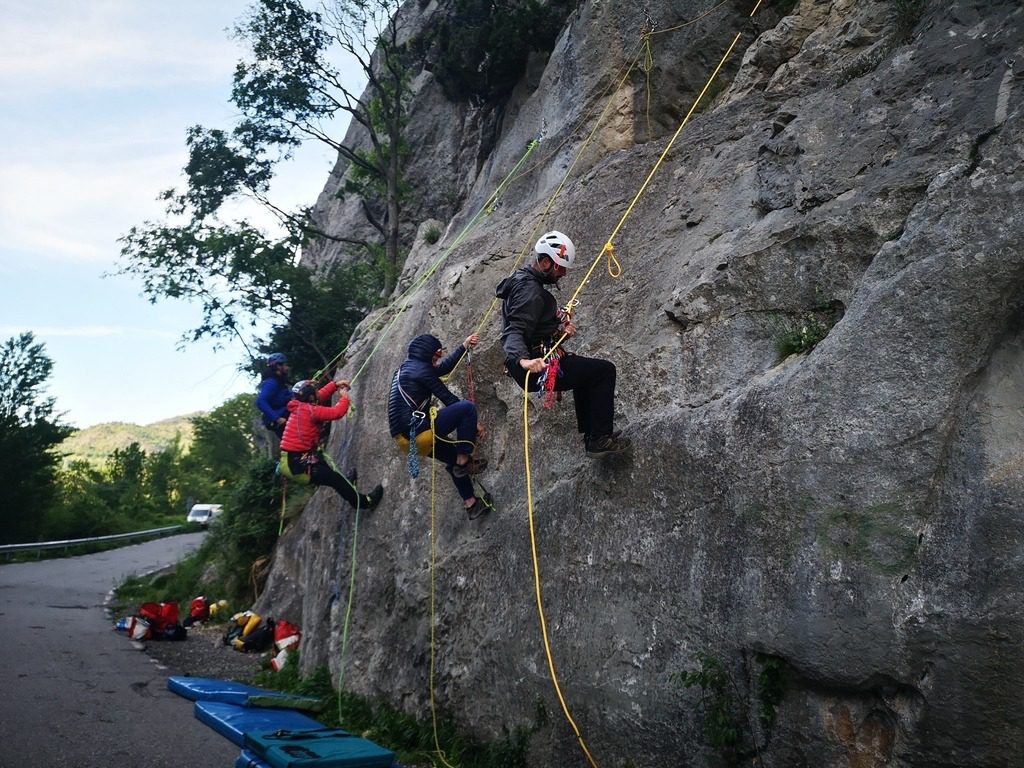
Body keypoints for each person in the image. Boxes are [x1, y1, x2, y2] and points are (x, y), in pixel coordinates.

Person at [495, 230, 630, 456]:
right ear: (546, 262)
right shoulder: (530, 291)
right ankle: (598, 438)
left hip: (535, 361)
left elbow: (531, 324)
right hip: (534, 367)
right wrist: (522, 360)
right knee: (604, 371)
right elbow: (514, 330)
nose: (564, 273)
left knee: (585, 373)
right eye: (560, 267)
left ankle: (593, 435)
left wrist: (558, 327)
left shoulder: (522, 279)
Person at [388, 333, 489, 518]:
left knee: (453, 463)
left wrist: (464, 346)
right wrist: (474, 424)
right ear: (427, 354)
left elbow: (442, 369)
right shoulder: (421, 371)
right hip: (421, 431)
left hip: (407, 442)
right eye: (436, 355)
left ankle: (471, 504)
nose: (438, 358)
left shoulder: (407, 369)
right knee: (466, 408)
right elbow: (448, 399)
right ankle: (464, 460)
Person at [279, 378, 383, 510]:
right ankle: (364, 502)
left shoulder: (301, 406)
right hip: (295, 464)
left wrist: (334, 385)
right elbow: (337, 412)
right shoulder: (311, 411)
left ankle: (346, 485)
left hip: (296, 458)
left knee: (328, 471)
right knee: (333, 478)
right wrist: (344, 398)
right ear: (310, 396)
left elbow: (319, 397)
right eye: (315, 392)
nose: (317, 393)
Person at [256, 352, 293, 438]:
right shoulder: (272, 382)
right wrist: (277, 418)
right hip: (281, 420)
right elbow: (260, 401)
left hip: (284, 417)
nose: (288, 368)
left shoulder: (279, 382)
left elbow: (288, 396)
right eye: (286, 365)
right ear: (278, 366)